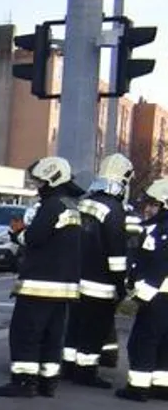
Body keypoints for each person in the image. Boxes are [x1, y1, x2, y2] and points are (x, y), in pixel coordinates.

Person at [0, 157, 83, 398]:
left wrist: (18, 232)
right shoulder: (71, 206)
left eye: (40, 183)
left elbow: (35, 239)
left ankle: (24, 382)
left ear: (52, 180)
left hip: (39, 286)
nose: (38, 188)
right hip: (63, 288)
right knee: (53, 337)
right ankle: (47, 382)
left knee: (26, 334)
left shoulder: (52, 205)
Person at [63, 153, 134, 388]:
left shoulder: (85, 202)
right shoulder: (113, 209)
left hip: (76, 279)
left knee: (74, 327)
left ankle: (68, 367)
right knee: (93, 330)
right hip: (100, 285)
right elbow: (116, 253)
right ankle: (86, 374)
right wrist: (120, 284)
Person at [116, 177, 168, 402]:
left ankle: (138, 388)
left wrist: (136, 299)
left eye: (154, 204)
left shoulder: (159, 231)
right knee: (164, 344)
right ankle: (162, 386)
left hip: (156, 298)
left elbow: (156, 266)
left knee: (142, 342)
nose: (148, 209)